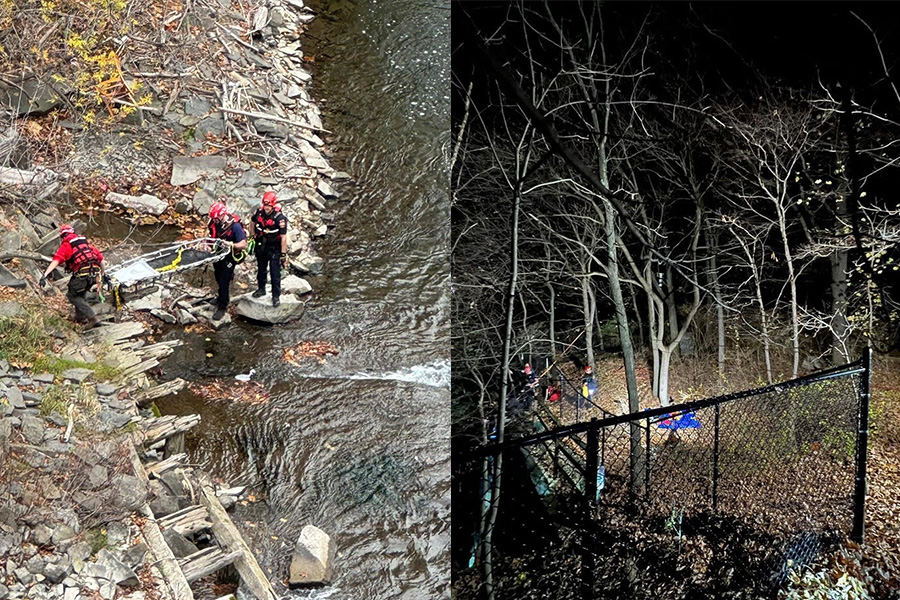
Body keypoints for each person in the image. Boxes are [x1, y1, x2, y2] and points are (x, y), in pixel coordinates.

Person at [39, 224, 107, 328]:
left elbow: (56, 261)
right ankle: (80, 317)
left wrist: (45, 275)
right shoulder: (85, 244)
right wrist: (103, 274)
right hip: (94, 274)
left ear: (62, 236)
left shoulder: (66, 245)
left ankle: (93, 318)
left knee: (72, 296)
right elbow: (101, 260)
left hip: (82, 274)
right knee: (80, 291)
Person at [207, 202, 247, 320]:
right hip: (218, 254)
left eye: (216, 218)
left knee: (224, 280)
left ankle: (223, 306)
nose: (214, 221)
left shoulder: (234, 227)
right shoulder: (215, 223)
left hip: (229, 256)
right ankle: (220, 297)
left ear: (221, 215)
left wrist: (231, 245)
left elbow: (243, 244)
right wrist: (208, 246)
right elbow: (210, 235)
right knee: (218, 276)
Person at [248, 191, 288, 307]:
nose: (266, 208)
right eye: (265, 205)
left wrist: (283, 254)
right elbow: (252, 221)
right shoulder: (259, 213)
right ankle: (261, 289)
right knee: (261, 269)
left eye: (269, 206)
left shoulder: (280, 219)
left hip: (274, 248)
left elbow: (283, 237)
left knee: (275, 273)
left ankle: (276, 296)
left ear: (273, 205)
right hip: (261, 245)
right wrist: (252, 236)